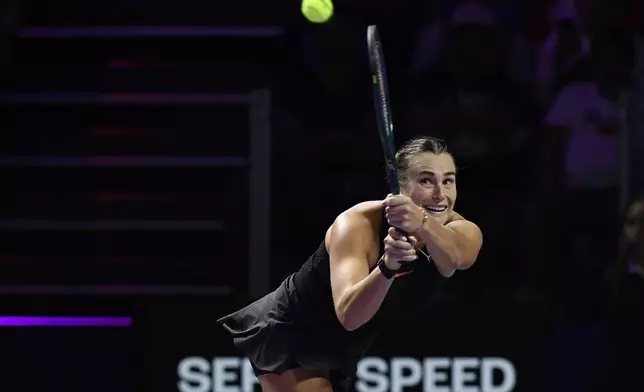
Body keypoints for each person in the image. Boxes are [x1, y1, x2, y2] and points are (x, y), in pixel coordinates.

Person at [218, 136, 483, 392]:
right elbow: (349, 316)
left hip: (345, 348)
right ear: (400, 187)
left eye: (448, 181)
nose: (440, 194)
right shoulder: (357, 224)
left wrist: (422, 224)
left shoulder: (463, 231)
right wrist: (387, 267)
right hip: (293, 330)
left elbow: (454, 261)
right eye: (426, 180)